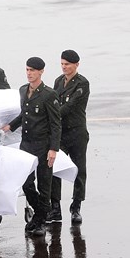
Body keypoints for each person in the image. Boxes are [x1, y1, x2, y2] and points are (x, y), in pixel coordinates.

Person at [2, 57, 61, 237]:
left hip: (43, 146)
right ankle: (40, 212)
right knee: (27, 183)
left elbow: (55, 124)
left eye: (33, 70)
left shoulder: (49, 95)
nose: (29, 73)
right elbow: (24, 114)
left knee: (44, 185)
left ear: (41, 72)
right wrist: (10, 126)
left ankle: (41, 220)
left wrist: (53, 149)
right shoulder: (23, 90)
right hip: (26, 144)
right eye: (27, 70)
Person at [48, 50, 90, 224]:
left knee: (79, 169)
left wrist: (48, 115)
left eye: (68, 64)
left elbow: (69, 106)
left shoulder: (82, 83)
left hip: (77, 132)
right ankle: (55, 207)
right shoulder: (58, 81)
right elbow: (54, 101)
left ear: (76, 65)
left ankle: (76, 206)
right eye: (62, 64)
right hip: (61, 133)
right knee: (54, 168)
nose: (64, 67)